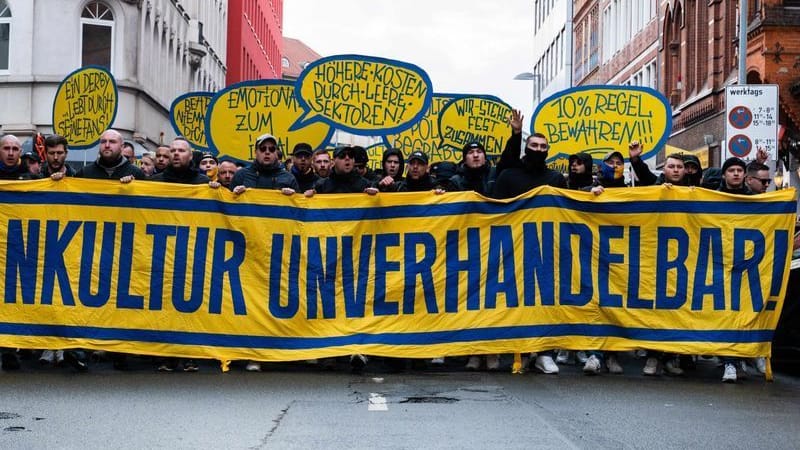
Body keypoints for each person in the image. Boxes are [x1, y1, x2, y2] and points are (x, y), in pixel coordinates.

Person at [493, 113, 564, 374]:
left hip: (544, 249)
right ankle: (514, 349)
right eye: (534, 146)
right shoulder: (509, 176)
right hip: (510, 247)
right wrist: (515, 133)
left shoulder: (555, 179)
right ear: (525, 148)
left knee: (545, 301)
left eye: (543, 147)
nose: (538, 150)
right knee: (511, 299)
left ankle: (544, 352)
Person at [305, 145, 378, 373]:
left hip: (356, 253)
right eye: (343, 157)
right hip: (328, 252)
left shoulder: (364, 185)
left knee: (356, 299)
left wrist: (375, 197)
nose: (347, 160)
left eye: (351, 158)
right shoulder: (321, 186)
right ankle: (329, 351)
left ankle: (357, 348)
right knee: (328, 300)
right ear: (334, 161)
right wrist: (306, 199)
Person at [230, 134, 299, 196]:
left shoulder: (289, 178)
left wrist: (294, 196)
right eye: (263, 149)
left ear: (276, 153)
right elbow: (227, 205)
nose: (267, 152)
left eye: (271, 149)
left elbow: (299, 207)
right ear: (255, 152)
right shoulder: (241, 175)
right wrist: (234, 195)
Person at [75, 129, 145, 183]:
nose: (107, 145)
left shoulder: (136, 174)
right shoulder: (85, 172)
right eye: (103, 142)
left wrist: (134, 185)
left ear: (122, 147)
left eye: (112, 142)